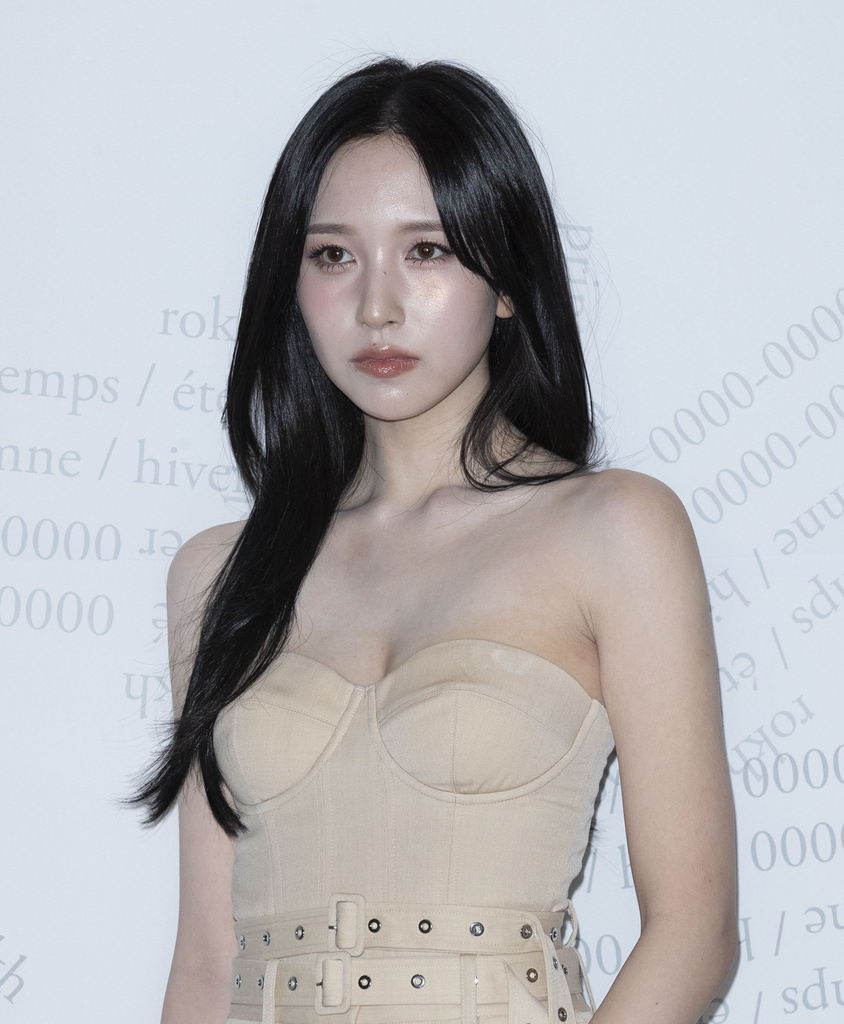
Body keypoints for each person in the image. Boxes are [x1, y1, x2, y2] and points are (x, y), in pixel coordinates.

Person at [133, 57, 738, 1024]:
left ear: (507, 283)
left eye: (428, 250)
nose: (377, 305)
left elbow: (694, 932)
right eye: (334, 256)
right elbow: (207, 963)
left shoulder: (614, 529)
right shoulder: (218, 573)